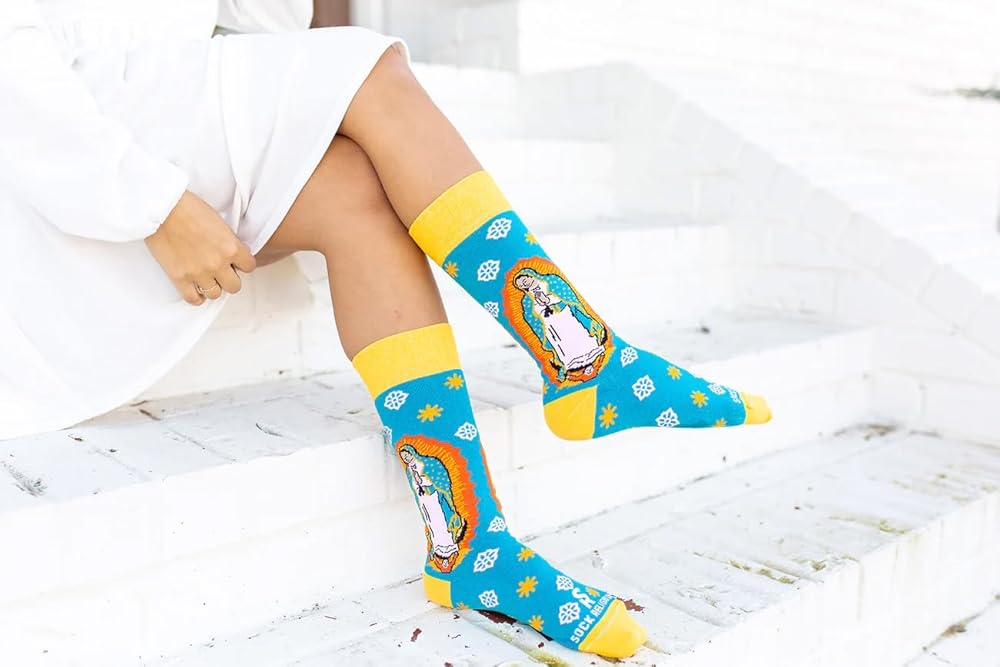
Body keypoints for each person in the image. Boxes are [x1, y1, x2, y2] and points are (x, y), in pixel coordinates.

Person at [0, 0, 772, 658]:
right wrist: (155, 204)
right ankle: (583, 358)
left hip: (155, 114)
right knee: (364, 68)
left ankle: (469, 542)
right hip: (69, 157)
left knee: (353, 191)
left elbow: (265, 22)